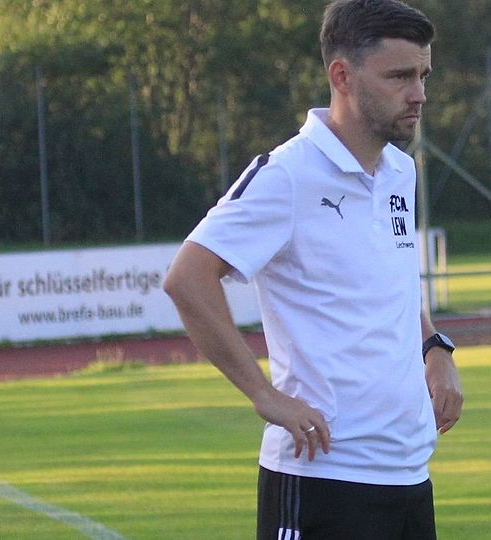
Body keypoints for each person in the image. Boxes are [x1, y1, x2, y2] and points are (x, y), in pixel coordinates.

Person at [163, 1, 463, 538]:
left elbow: (388, 281)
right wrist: (264, 395)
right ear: (342, 76)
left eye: (423, 75)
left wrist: (434, 348)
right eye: (399, 76)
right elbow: (187, 278)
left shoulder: (399, 171)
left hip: (409, 474)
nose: (418, 93)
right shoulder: (287, 175)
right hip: (323, 476)